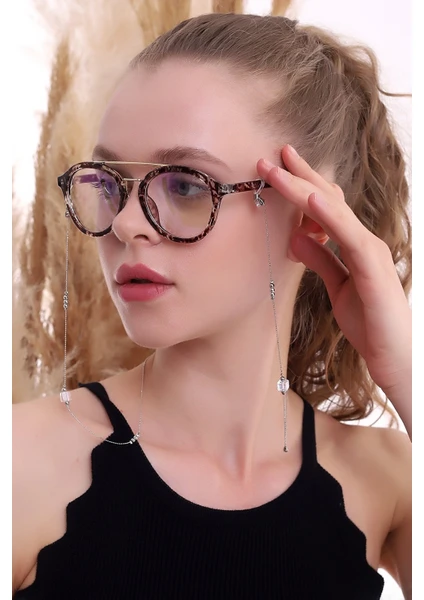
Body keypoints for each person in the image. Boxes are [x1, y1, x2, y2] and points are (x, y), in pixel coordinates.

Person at [12, 12, 412, 600]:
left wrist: (406, 375)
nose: (124, 223)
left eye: (185, 184)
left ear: (313, 213)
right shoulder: (23, 463)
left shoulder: (385, 480)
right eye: (111, 181)